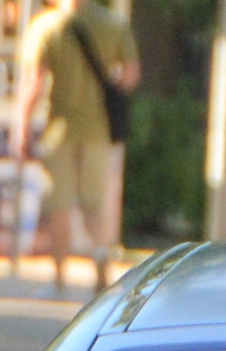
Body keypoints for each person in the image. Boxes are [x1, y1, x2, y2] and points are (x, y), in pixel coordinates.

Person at [16, 0, 140, 290]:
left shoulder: (46, 26)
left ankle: (59, 278)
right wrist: (109, 90)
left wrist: (21, 125)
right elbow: (131, 75)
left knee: (59, 204)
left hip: (59, 129)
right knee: (94, 204)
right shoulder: (114, 24)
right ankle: (101, 265)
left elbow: (34, 80)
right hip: (99, 130)